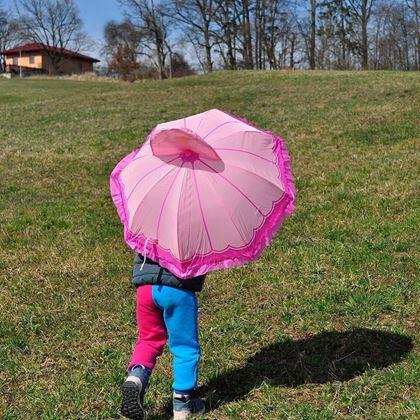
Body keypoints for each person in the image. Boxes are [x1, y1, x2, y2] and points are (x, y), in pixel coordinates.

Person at [120, 252, 206, 420]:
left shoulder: (152, 225)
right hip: (179, 289)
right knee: (184, 347)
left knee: (148, 340)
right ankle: (183, 401)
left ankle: (136, 377)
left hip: (145, 288)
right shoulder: (198, 231)